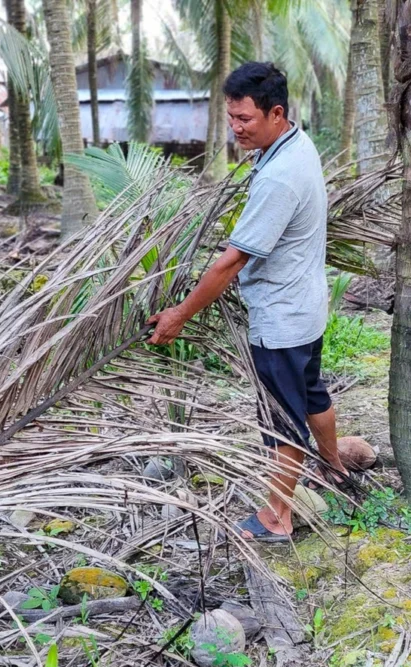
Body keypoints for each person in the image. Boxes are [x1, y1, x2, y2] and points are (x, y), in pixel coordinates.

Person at [147, 62, 348, 541]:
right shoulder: (297, 145)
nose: (235, 129)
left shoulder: (280, 176)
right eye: (231, 117)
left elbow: (230, 263)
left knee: (281, 421)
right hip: (306, 306)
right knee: (312, 392)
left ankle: (277, 517)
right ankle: (335, 467)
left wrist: (178, 314)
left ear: (276, 113)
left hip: (281, 319)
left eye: (245, 119)